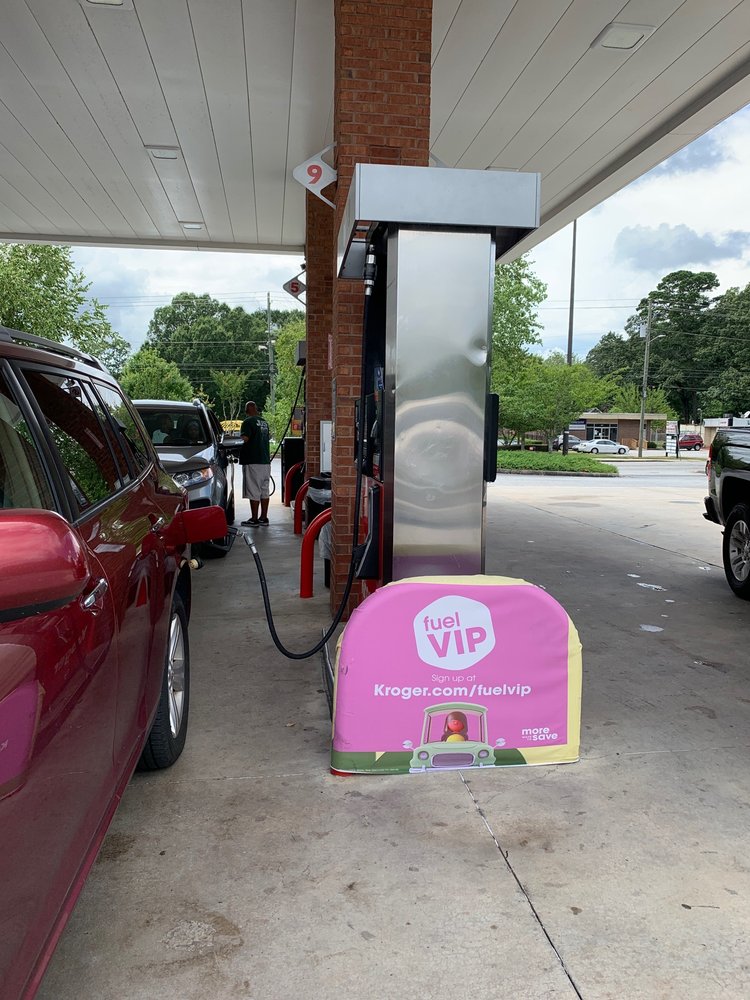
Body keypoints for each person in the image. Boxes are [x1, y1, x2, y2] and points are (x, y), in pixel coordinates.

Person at [239, 400, 271, 526]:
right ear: (256, 409)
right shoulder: (264, 422)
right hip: (265, 462)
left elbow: (245, 438)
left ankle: (254, 519)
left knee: (253, 490)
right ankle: (264, 517)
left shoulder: (248, 422)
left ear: (247, 410)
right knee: (264, 490)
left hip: (253, 461)